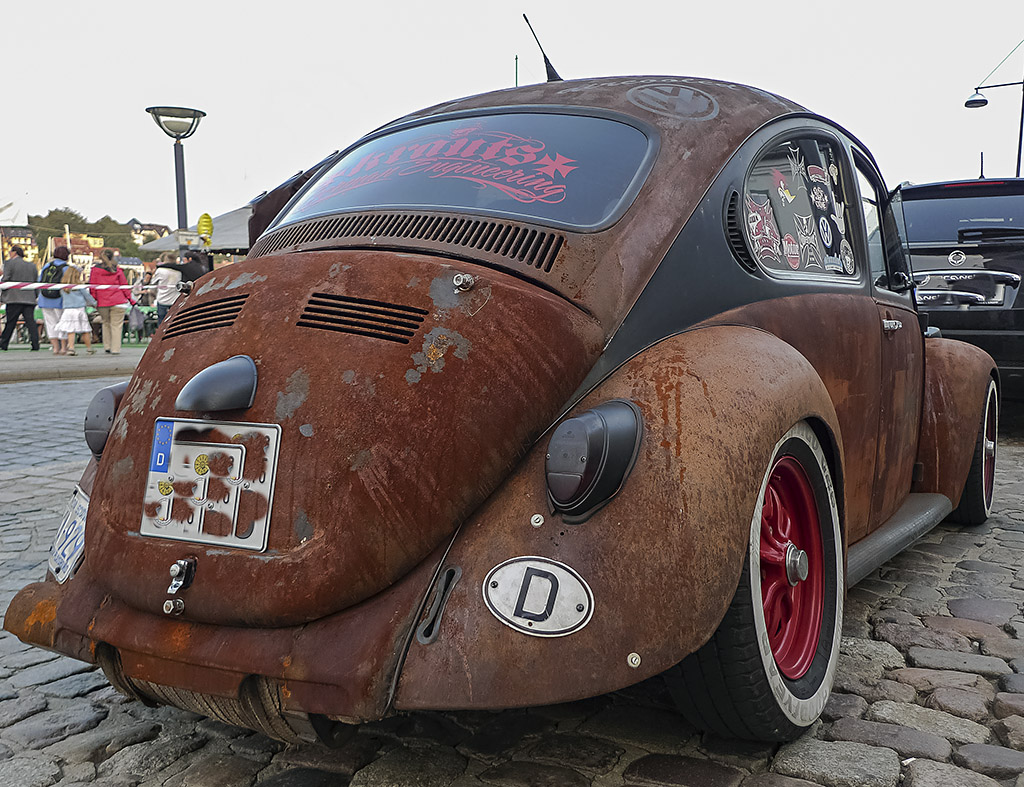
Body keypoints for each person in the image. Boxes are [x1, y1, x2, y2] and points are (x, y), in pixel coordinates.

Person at [88, 250, 134, 355]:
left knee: (105, 323)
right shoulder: (117, 270)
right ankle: (115, 349)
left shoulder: (95, 270)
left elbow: (92, 287)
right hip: (118, 301)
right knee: (116, 325)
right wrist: (130, 299)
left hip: (102, 301)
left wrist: (94, 300)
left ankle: (107, 346)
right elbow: (124, 286)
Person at [0, 245, 41, 351]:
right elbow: (35, 282)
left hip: (14, 298)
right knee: (30, 322)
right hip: (29, 298)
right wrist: (35, 295)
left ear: (14, 252)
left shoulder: (9, 263)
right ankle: (35, 343)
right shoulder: (32, 266)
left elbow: (6, 279)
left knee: (11, 322)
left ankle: (4, 343)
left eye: (10, 252)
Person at [54, 265, 94, 355]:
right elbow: (87, 296)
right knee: (85, 330)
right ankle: (89, 348)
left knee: (70, 330)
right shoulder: (79, 286)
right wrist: (94, 303)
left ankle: (71, 348)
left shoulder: (63, 287)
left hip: (68, 310)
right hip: (79, 309)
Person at [38, 246, 70, 354]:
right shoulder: (66, 268)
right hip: (59, 299)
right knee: (63, 323)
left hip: (44, 299)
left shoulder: (47, 266)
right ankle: (63, 347)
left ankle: (55, 348)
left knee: (50, 324)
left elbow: (40, 280)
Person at [150, 252, 182, 325]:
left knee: (162, 322)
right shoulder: (179, 272)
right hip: (174, 299)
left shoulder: (160, 270)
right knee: (174, 321)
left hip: (162, 299)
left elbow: (153, 283)